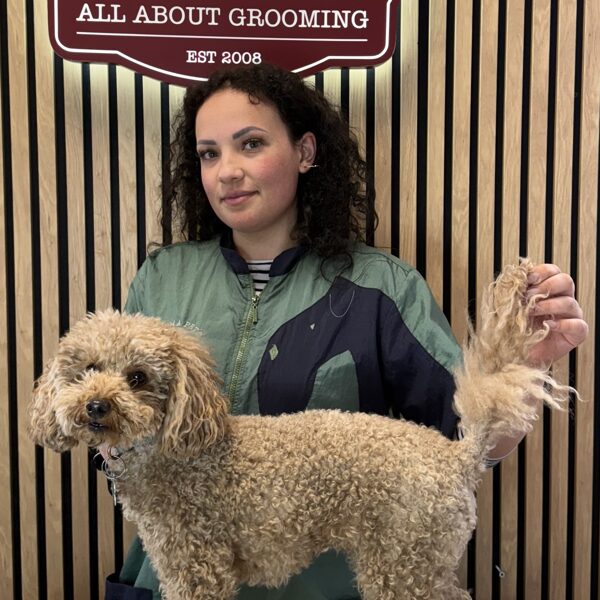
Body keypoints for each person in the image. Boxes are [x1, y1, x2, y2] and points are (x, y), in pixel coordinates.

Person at [103, 63, 588, 600]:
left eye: (251, 144)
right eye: (209, 154)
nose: (226, 172)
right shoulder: (162, 279)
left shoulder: (382, 288)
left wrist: (525, 369)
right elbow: (121, 436)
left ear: (305, 152)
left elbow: (464, 447)